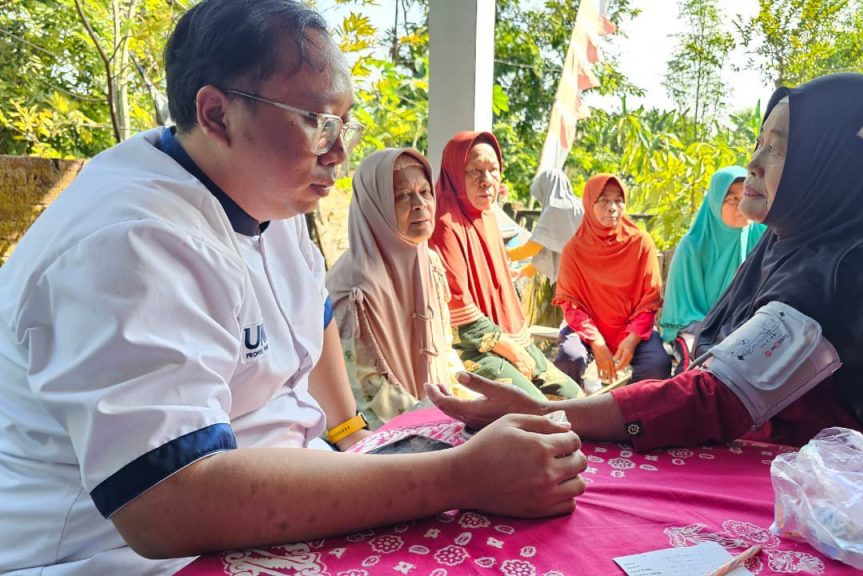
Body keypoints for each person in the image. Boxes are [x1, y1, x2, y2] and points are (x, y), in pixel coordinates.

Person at [0, 2, 585, 573]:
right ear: (216, 114)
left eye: (345, 123)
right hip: (120, 553)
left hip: (278, 494)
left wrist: (352, 433)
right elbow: (167, 500)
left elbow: (314, 314)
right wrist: (459, 476)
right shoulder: (130, 241)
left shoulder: (261, 194)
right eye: (319, 121)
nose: (340, 151)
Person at [429, 73, 863, 452]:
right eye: (759, 142)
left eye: (780, 149)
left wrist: (549, 413)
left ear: (835, 165)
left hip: (830, 497)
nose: (753, 163)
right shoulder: (791, 248)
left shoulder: (840, 274)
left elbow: (716, 398)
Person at [428, 131, 582, 401]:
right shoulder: (444, 224)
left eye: (493, 170)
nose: (486, 180)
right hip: (472, 349)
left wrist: (520, 348)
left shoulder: (487, 216)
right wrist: (514, 352)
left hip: (509, 338)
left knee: (575, 397)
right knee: (537, 408)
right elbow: (458, 312)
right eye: (475, 170)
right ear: (454, 173)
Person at [326, 148, 462, 427]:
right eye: (402, 195)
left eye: (425, 192)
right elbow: (363, 389)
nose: (420, 204)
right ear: (375, 206)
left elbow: (443, 349)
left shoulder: (430, 262)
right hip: (377, 429)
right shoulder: (354, 284)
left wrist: (464, 402)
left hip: (439, 413)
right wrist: (437, 420)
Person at [552, 173, 673, 386]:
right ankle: (575, 406)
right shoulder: (574, 249)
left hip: (633, 328)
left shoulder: (641, 243)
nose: (612, 208)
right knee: (569, 360)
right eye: (604, 200)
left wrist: (633, 338)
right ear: (589, 204)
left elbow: (650, 300)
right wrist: (596, 341)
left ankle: (634, 405)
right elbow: (571, 306)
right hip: (587, 330)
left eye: (618, 200)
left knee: (657, 365)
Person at [661, 165, 767, 364]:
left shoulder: (760, 236)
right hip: (696, 326)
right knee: (701, 365)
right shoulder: (693, 246)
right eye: (732, 199)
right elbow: (683, 310)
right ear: (716, 202)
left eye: (746, 196)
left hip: (744, 325)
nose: (742, 205)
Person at [506, 169, 584, 282]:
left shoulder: (555, 208)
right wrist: (522, 272)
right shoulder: (579, 205)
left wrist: (505, 254)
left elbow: (533, 248)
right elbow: (550, 253)